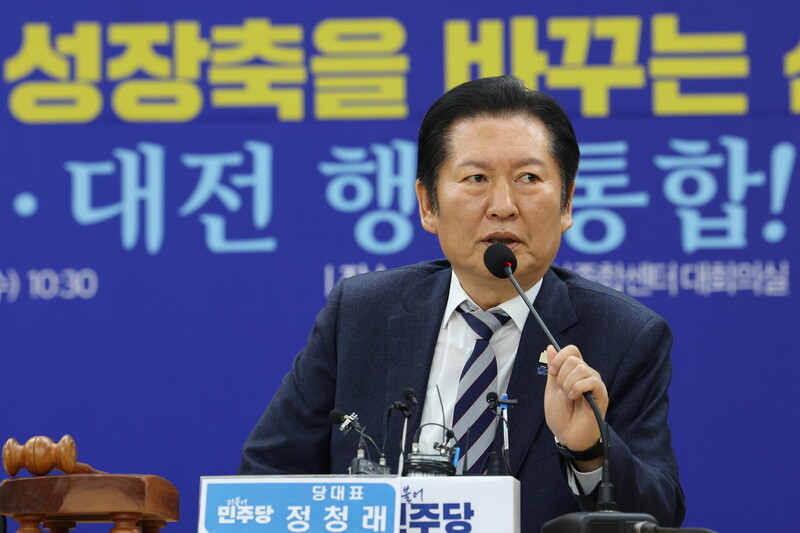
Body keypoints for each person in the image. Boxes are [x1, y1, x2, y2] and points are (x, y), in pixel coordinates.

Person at [238, 75, 685, 532]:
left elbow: (658, 517)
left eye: (529, 178)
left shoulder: (622, 335)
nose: (503, 205)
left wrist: (589, 449)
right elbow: (265, 478)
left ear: (567, 203)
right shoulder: (361, 313)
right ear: (428, 205)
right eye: (476, 178)